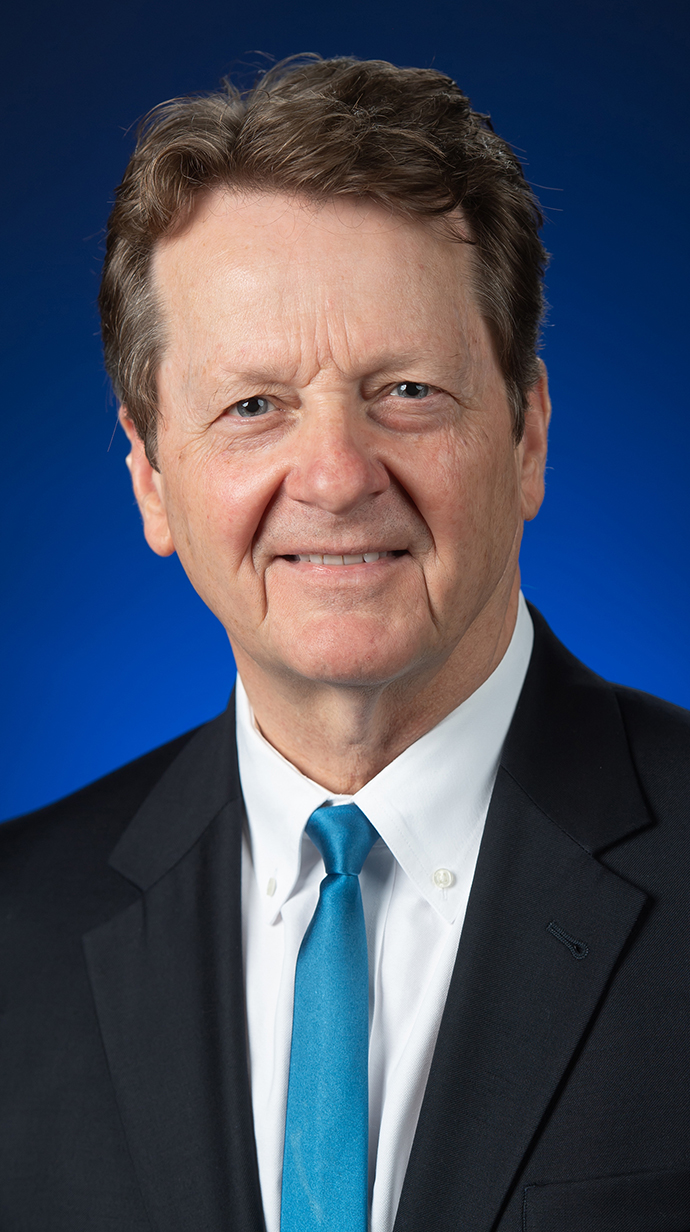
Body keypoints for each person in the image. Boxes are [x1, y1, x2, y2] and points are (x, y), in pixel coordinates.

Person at [1, 55, 689, 1232]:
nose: (334, 475)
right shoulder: (17, 930)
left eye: (407, 390)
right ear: (150, 475)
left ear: (525, 434)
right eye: (253, 405)